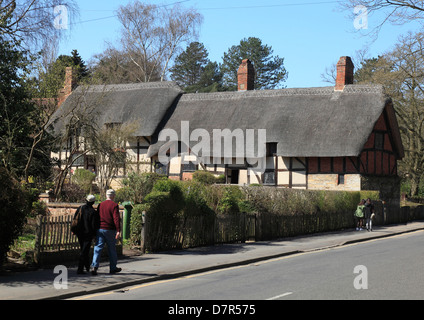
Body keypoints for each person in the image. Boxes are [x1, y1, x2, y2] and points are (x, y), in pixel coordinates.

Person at [91, 189, 122, 275]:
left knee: (97, 248)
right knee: (112, 249)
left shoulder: (101, 205)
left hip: (100, 229)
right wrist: (118, 230)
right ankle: (112, 268)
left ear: (106, 195)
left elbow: (97, 217)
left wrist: (95, 229)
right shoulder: (114, 205)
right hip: (110, 230)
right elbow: (116, 218)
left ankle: (94, 266)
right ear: (113, 196)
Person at [73, 195, 99, 275]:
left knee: (84, 249)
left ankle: (87, 267)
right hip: (88, 234)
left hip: (80, 233)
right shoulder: (93, 212)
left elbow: (75, 219)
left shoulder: (80, 208)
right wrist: (95, 235)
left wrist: (73, 230)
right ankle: (80, 269)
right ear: (93, 202)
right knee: (84, 251)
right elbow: (94, 225)